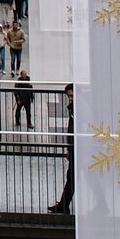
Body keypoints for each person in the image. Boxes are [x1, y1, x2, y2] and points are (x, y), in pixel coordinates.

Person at [49, 84, 75, 212]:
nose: (70, 98)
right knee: (72, 177)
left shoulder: (78, 108)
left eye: (71, 95)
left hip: (77, 149)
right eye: (68, 96)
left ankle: (63, 206)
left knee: (71, 177)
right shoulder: (74, 108)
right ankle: (63, 205)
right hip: (75, 148)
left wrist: (70, 148)